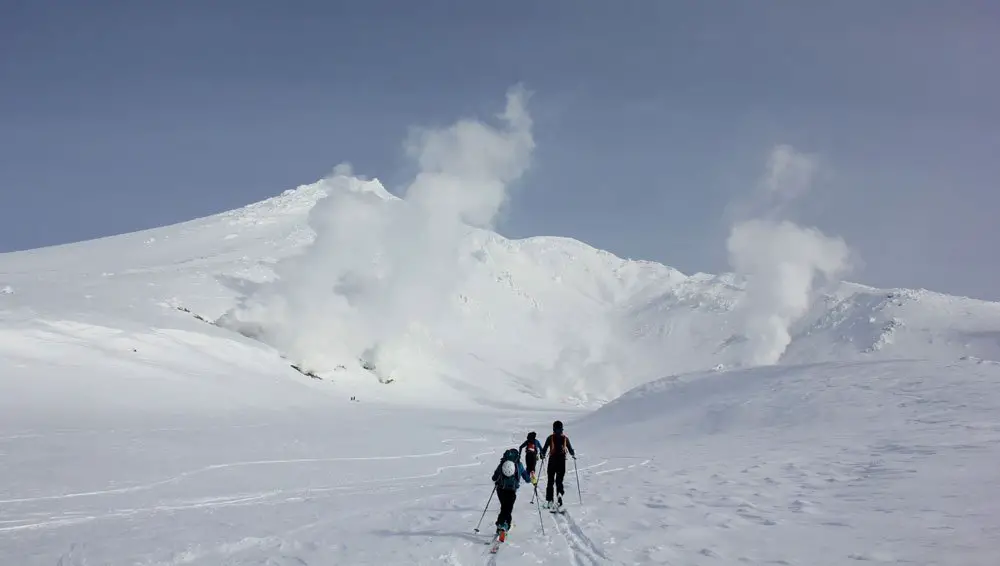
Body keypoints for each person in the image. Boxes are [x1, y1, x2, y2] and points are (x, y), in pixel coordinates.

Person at [491, 447, 534, 541]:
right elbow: (526, 478)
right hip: (511, 490)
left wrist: (496, 478)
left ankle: (501, 524)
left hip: (500, 489)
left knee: (504, 507)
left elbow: (494, 477)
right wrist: (530, 479)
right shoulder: (519, 465)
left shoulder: (502, 463)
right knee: (508, 508)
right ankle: (504, 525)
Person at [539, 419, 576, 510]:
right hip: (562, 462)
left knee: (550, 481)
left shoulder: (550, 437)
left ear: (553, 429)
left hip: (552, 461)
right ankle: (559, 497)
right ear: (561, 428)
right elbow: (571, 450)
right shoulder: (565, 438)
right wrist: (573, 455)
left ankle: (549, 500)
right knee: (559, 481)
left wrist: (542, 455)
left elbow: (544, 450)